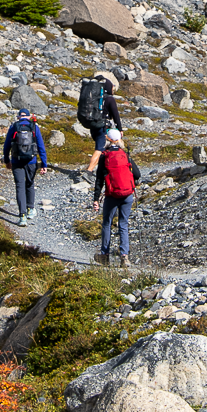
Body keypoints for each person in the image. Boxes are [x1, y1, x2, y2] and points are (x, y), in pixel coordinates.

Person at [85, 127, 138, 267]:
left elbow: (99, 181)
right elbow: (137, 174)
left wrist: (96, 199)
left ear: (107, 140)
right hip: (127, 194)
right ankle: (124, 256)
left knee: (107, 224)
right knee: (123, 224)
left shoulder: (104, 156)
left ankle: (105, 256)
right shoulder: (125, 154)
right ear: (119, 140)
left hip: (111, 195)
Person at [1, 107, 48, 226]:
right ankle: (30, 210)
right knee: (30, 184)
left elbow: (6, 146)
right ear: (28, 116)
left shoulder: (14, 127)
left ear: (18, 117)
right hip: (31, 161)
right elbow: (41, 146)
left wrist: (7, 160)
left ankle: (22, 217)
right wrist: (44, 164)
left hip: (16, 161)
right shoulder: (34, 127)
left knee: (20, 187)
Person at [75, 72, 122, 153]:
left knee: (103, 149)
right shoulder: (110, 99)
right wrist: (120, 129)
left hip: (93, 124)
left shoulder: (97, 98)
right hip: (102, 126)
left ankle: (102, 165)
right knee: (99, 149)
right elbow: (116, 115)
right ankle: (91, 166)